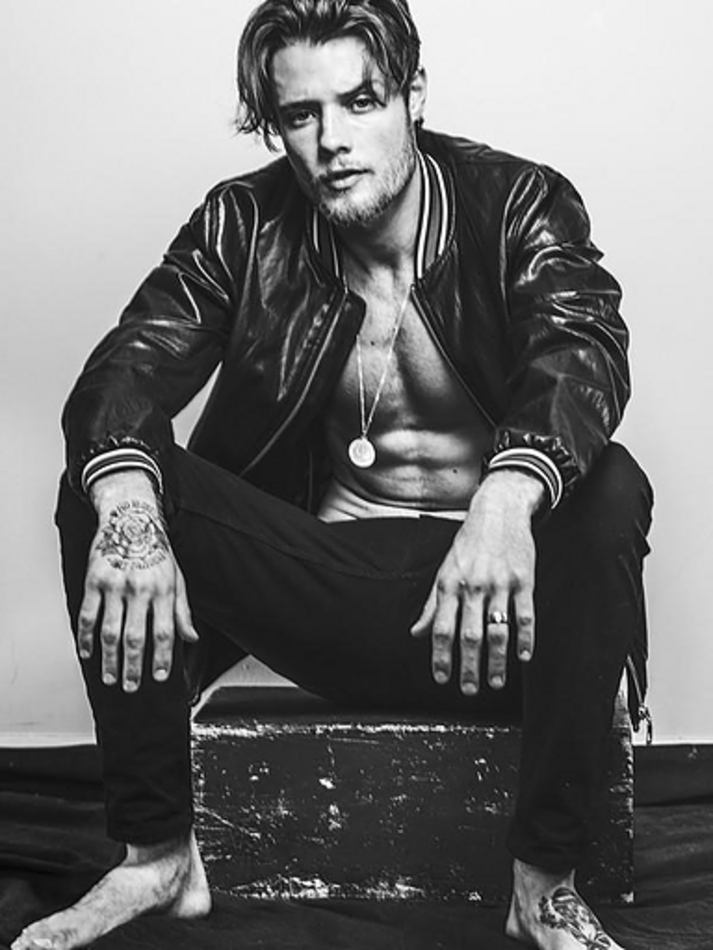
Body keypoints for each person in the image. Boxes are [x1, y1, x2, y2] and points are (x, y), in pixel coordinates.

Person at [13, 1, 653, 948]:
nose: (332, 141)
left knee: (610, 485)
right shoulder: (241, 224)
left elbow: (584, 349)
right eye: (300, 115)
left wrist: (506, 496)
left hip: (507, 617)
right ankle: (158, 858)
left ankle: (542, 883)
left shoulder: (517, 203)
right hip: (329, 597)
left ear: (413, 95)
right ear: (276, 127)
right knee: (110, 479)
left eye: (360, 101)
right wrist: (127, 502)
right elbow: (128, 369)